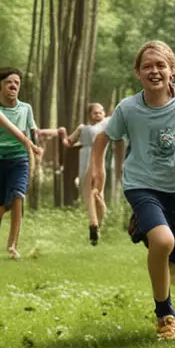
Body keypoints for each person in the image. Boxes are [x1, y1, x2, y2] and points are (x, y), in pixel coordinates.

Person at [90, 40, 175, 342]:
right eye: (147, 66)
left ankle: (144, 227)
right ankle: (165, 315)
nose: (154, 71)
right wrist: (98, 169)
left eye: (160, 65)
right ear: (138, 73)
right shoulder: (128, 108)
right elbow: (104, 137)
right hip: (140, 183)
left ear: (173, 71)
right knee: (163, 241)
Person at [0, 67, 52, 259]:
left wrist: (36, 150)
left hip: (20, 158)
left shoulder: (26, 108)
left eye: (17, 83)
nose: (13, 86)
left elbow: (32, 130)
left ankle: (12, 245)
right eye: (9, 82)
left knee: (18, 197)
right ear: (0, 87)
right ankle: (0, 210)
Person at [67, 103, 119, 244]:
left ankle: (96, 225)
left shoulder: (106, 123)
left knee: (97, 195)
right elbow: (68, 141)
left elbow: (117, 113)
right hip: (84, 161)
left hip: (98, 160)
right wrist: (60, 133)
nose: (99, 114)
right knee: (89, 195)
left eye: (101, 111)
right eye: (96, 112)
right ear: (89, 114)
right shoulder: (82, 128)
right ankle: (94, 225)